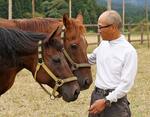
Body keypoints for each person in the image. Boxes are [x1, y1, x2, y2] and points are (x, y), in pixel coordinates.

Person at [88, 10, 137, 117]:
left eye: (100, 27)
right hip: (96, 96)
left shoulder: (128, 51)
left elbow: (126, 85)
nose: (98, 31)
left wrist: (106, 101)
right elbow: (89, 60)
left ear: (113, 27)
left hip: (115, 104)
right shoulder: (103, 44)